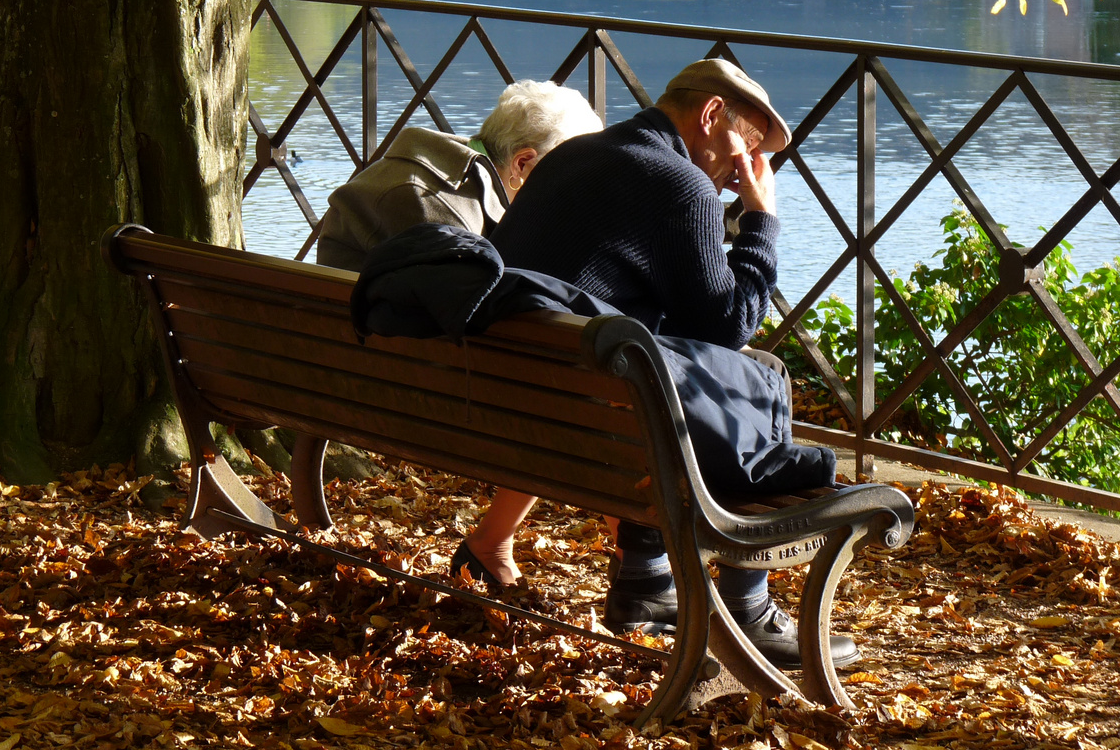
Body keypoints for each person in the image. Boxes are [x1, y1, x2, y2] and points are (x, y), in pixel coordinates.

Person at [456, 57, 859, 670]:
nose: (742, 172)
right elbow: (728, 328)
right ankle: (747, 604)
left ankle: (647, 578)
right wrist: (761, 221)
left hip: (502, 397)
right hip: (590, 415)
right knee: (754, 379)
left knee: (663, 371)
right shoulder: (679, 183)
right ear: (710, 114)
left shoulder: (570, 156)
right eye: (745, 148)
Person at [316, 80, 602, 271]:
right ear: (522, 164)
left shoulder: (455, 176)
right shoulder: (435, 206)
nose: (574, 189)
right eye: (571, 171)